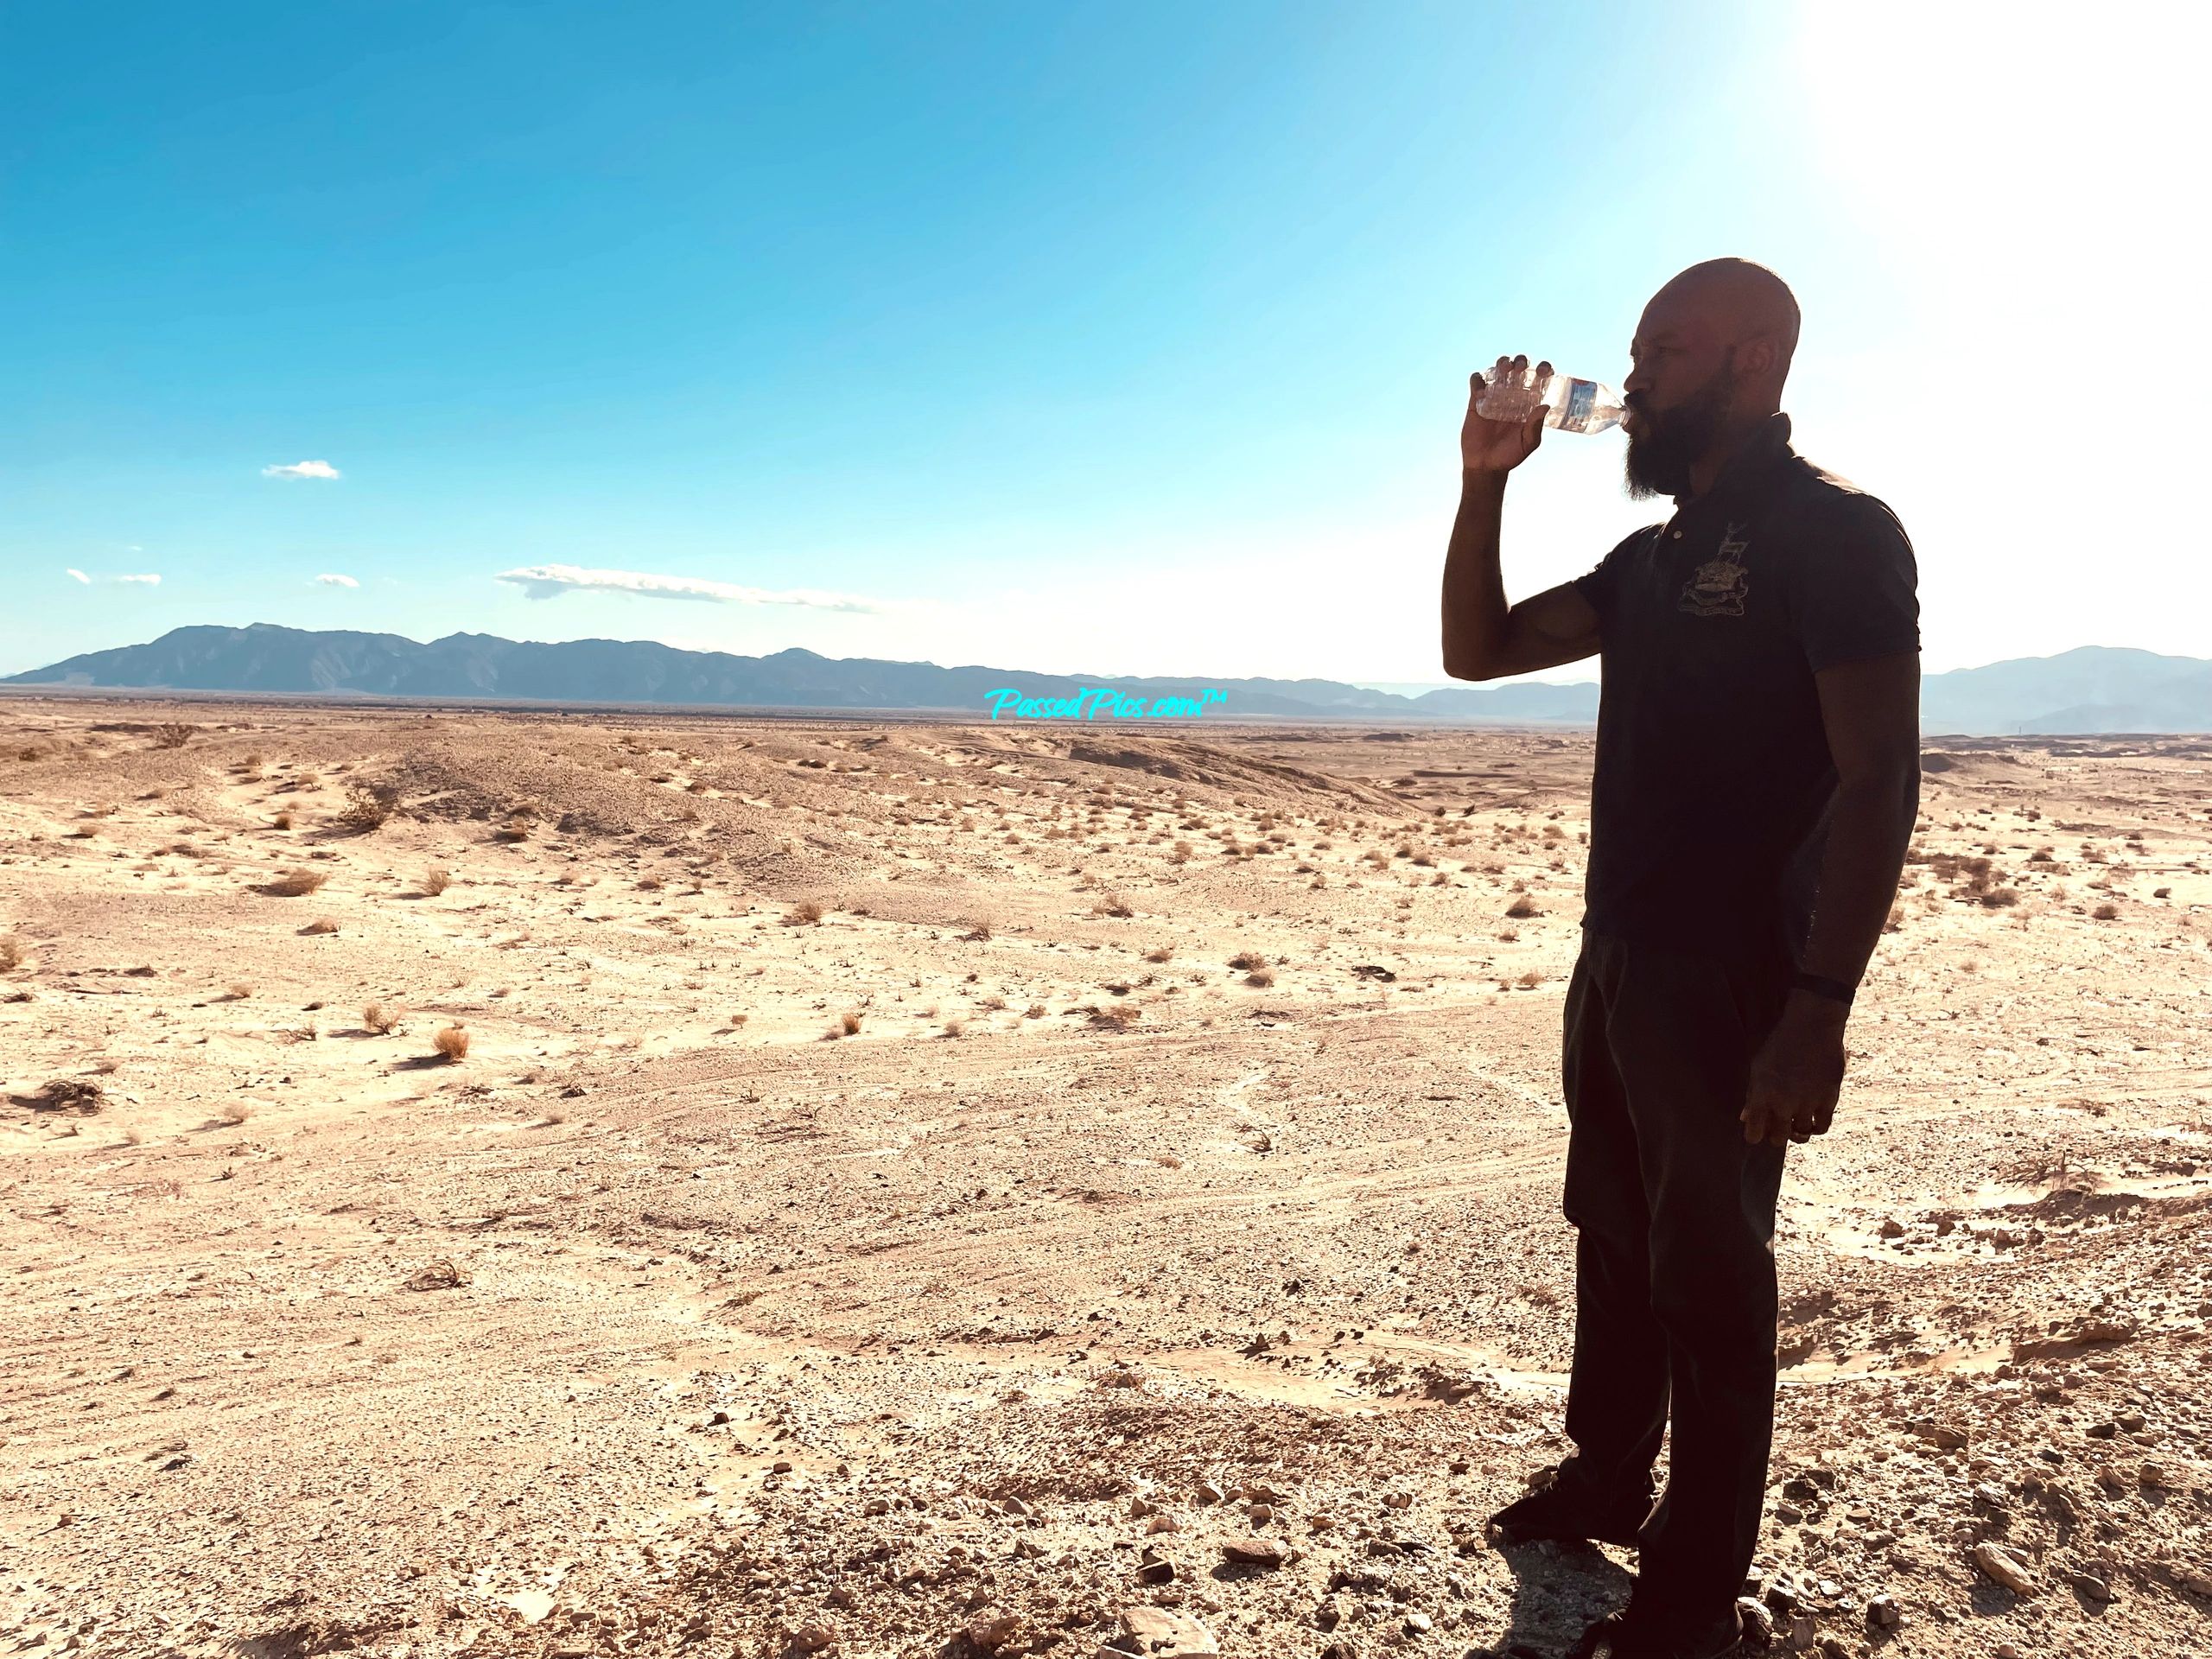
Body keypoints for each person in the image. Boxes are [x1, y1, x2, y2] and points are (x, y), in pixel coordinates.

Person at [1439, 259, 1921, 1659]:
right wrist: (1487, 484)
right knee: (1613, 1227)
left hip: (1736, 978)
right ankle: (1605, 1475)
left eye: (1666, 349)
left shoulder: (1836, 533)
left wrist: (1819, 1009)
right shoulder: (1648, 561)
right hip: (1622, 958)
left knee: (1712, 1271)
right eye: (1636, 350)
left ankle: (1697, 1599)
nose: (1633, 375)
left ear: (1755, 357)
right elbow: (1475, 651)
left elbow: (1881, 778)